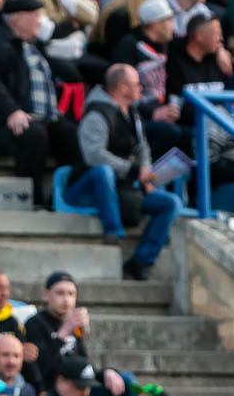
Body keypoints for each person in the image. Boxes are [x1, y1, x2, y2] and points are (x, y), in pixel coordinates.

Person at [73, 64, 180, 280]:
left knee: (170, 203)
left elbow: (143, 147)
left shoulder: (132, 113)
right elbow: (94, 156)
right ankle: (113, 232)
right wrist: (134, 171)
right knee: (103, 172)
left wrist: (147, 172)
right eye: (137, 84)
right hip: (86, 189)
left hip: (124, 190)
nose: (141, 88)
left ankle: (141, 261)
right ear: (122, 87)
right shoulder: (96, 114)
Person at [0, 0, 75, 208]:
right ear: (16, 17)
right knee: (34, 134)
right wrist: (11, 111)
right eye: (35, 15)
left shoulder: (33, 44)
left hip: (43, 117)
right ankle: (31, 198)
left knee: (72, 135)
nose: (39, 21)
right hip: (2, 121)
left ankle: (63, 198)